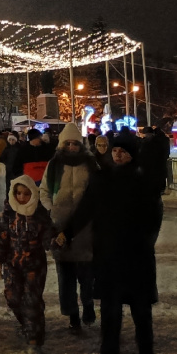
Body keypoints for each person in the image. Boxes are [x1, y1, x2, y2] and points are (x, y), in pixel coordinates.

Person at [63, 132, 162, 354]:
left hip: (137, 257)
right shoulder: (101, 178)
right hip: (108, 255)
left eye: (123, 151)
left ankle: (146, 353)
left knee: (141, 311)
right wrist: (67, 232)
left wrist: (145, 243)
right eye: (115, 150)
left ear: (132, 154)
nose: (118, 155)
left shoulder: (144, 181)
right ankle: (109, 353)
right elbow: (85, 209)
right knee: (110, 310)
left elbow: (153, 218)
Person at [41, 122, 98, 330]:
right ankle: (72, 313)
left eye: (75, 144)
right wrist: (51, 209)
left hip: (85, 227)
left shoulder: (91, 165)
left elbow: (98, 191)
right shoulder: (54, 164)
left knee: (86, 274)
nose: (72, 147)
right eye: (68, 143)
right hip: (60, 225)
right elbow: (44, 190)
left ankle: (88, 304)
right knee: (66, 277)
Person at [0, 175, 55, 348]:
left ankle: (35, 333)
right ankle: (26, 324)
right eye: (18, 193)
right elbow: (0, 237)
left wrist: (55, 241)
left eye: (26, 194)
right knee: (13, 297)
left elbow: (48, 236)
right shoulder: (8, 213)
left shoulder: (40, 214)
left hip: (34, 264)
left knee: (32, 300)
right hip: (12, 263)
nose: (22, 197)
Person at [139, 123, 171, 194]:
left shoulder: (149, 142)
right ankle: (160, 189)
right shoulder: (161, 140)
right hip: (158, 163)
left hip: (151, 164)